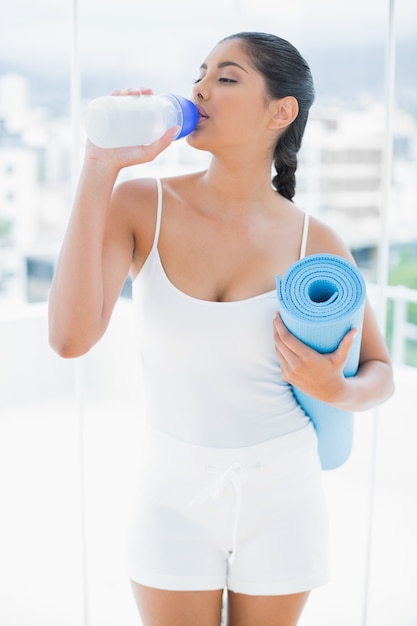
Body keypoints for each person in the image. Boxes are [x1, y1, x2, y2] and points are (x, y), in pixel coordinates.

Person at [48, 31, 394, 626]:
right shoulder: (141, 206)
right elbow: (69, 339)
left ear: (280, 113)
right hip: (170, 492)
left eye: (227, 78)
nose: (201, 88)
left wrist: (336, 389)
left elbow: (381, 373)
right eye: (200, 74)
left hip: (284, 491)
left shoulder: (317, 243)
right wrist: (100, 166)